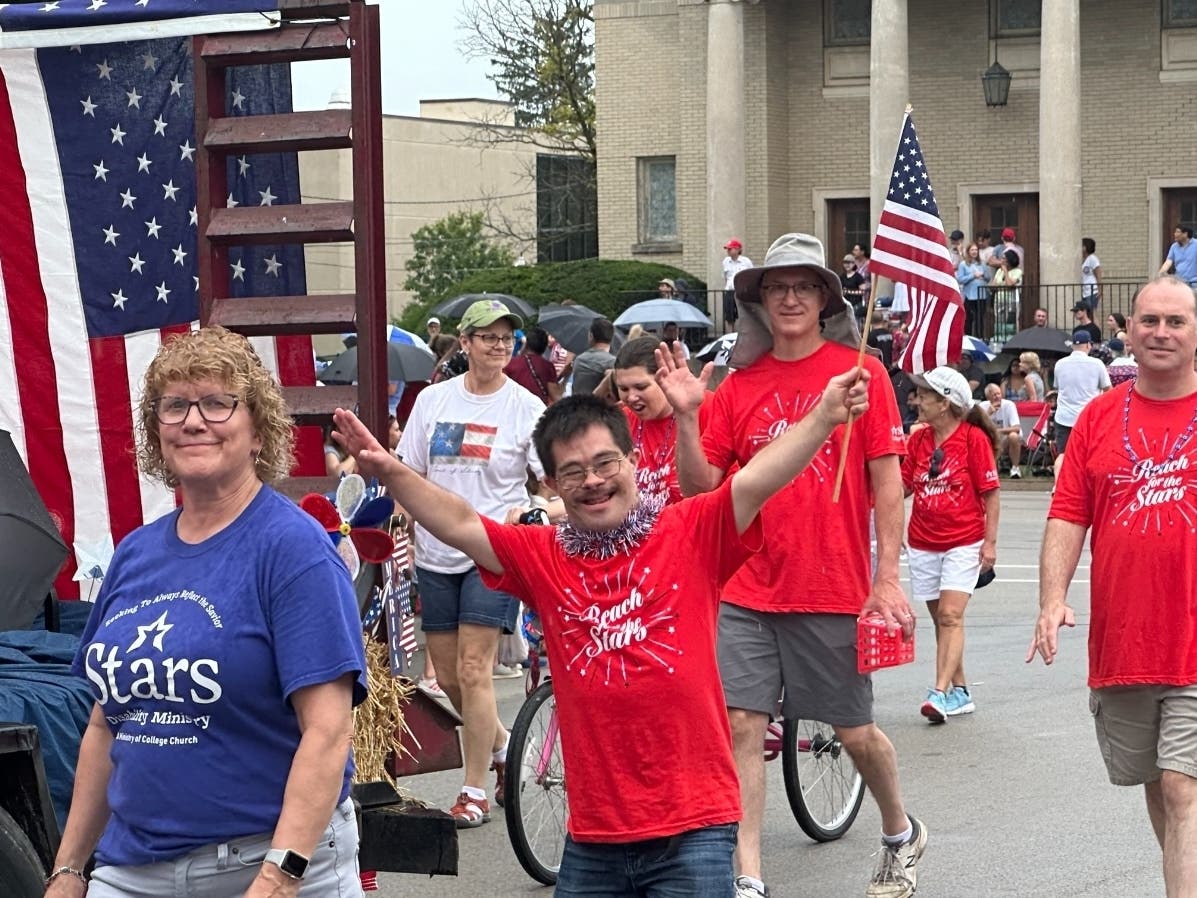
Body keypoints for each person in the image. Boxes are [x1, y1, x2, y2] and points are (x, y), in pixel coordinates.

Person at [331, 375, 870, 898]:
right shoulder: (542, 555)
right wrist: (391, 470)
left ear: (632, 462)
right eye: (572, 472)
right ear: (551, 485)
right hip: (592, 839)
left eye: (605, 462)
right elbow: (461, 522)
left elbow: (756, 480)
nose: (592, 481)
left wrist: (823, 416)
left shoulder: (688, 532)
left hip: (695, 827)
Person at [46, 327, 367, 898]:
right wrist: (69, 870)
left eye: (218, 403)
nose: (194, 420)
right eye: (175, 406)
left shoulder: (292, 550)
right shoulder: (136, 555)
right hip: (132, 869)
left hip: (264, 861)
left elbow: (326, 730)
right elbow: (105, 724)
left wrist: (277, 878)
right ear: (157, 430)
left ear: (258, 433)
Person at [661, 233, 925, 898]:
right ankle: (746, 875)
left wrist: (886, 576)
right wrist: (688, 422)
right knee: (743, 724)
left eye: (802, 287)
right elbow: (699, 491)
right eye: (776, 287)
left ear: (823, 300)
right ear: (759, 300)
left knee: (855, 731)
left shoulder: (858, 376)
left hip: (830, 586)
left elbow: (887, 484)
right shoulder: (738, 385)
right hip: (744, 587)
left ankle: (898, 829)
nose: (787, 298)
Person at [1029, 276, 1197, 897]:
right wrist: (1051, 601)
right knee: (1159, 783)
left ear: (1196, 334)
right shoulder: (1099, 418)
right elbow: (1069, 514)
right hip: (1125, 640)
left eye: (1176, 322)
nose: (1161, 333)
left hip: (1194, 637)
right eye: (1150, 321)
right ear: (1127, 330)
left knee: (1184, 787)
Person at [397, 298, 549, 828]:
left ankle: (474, 790)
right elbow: (409, 473)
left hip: (493, 552)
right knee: (452, 683)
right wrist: (401, 528)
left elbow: (548, 478)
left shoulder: (525, 407)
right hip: (436, 554)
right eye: (487, 337)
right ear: (465, 344)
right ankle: (504, 747)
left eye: (507, 337)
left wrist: (537, 510)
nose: (498, 345)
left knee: (472, 670)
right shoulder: (434, 402)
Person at [902, 367, 1000, 722]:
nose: (918, 400)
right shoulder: (918, 441)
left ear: (945, 403)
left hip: (964, 541)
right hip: (923, 543)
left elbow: (990, 494)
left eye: (926, 395)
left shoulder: (973, 439)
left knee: (950, 615)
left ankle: (939, 693)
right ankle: (960, 691)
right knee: (942, 621)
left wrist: (989, 544)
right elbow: (901, 486)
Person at [611, 335, 708, 506]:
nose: (631, 397)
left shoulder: (706, 410)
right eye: (623, 389)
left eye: (641, 387)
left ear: (665, 378)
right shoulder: (620, 421)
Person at [1051, 330, 1111, 479]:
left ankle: (1058, 485)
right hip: (1089, 418)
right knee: (1090, 454)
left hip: (1064, 417)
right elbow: (1108, 390)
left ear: (1073, 346)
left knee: (1063, 454)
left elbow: (1057, 387)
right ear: (1089, 345)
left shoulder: (1060, 364)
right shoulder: (1097, 364)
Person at [504, 325, 562, 405]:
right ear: (544, 347)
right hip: (538, 411)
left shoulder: (510, 364)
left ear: (526, 344)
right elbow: (555, 396)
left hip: (514, 408)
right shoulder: (548, 366)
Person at [984, 383, 1024, 476]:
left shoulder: (1009, 405)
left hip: (1005, 439)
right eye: (994, 395)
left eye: (999, 394)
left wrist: (997, 431)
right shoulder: (983, 406)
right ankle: (990, 469)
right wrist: (988, 413)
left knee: (1013, 436)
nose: (998, 397)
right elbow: (976, 427)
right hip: (990, 439)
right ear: (988, 397)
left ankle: (1015, 468)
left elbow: (1017, 428)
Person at [571, 318, 618, 396]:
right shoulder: (614, 362)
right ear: (612, 337)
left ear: (591, 336)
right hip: (602, 407)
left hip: (577, 405)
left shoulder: (579, 360)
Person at [957, 242, 990, 338]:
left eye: (976, 250)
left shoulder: (982, 264)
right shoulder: (963, 264)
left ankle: (980, 338)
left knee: (980, 319)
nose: (974, 252)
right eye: (972, 250)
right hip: (969, 296)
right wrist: (972, 276)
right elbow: (960, 279)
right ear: (968, 252)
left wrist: (983, 275)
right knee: (969, 319)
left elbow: (988, 278)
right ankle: (969, 338)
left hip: (981, 295)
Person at [723, 238, 754, 327]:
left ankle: (742, 334)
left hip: (741, 291)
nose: (728, 251)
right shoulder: (725, 262)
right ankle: (730, 335)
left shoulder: (746, 261)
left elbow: (750, 276)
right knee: (729, 316)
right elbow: (726, 277)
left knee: (743, 315)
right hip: (729, 291)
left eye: (730, 249)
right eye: (727, 249)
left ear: (737, 249)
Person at [990, 249, 1023, 331]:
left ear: (1010, 260)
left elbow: (1009, 284)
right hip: (999, 300)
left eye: (1004, 258)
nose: (1001, 260)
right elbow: (993, 285)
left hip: (1011, 300)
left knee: (1011, 321)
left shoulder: (1018, 271)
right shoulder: (999, 271)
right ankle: (1000, 337)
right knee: (999, 321)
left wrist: (1005, 271)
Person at [840, 253, 868, 321]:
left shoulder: (858, 277)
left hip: (856, 305)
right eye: (845, 263)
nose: (847, 265)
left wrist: (849, 292)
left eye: (849, 263)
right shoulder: (842, 277)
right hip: (845, 305)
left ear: (853, 264)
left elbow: (863, 291)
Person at [1081, 237, 1102, 309]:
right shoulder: (1083, 259)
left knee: (1093, 312)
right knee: (1087, 313)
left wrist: (1100, 290)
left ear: (1085, 247)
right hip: (1085, 291)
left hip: (1092, 290)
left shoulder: (1092, 258)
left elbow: (1098, 275)